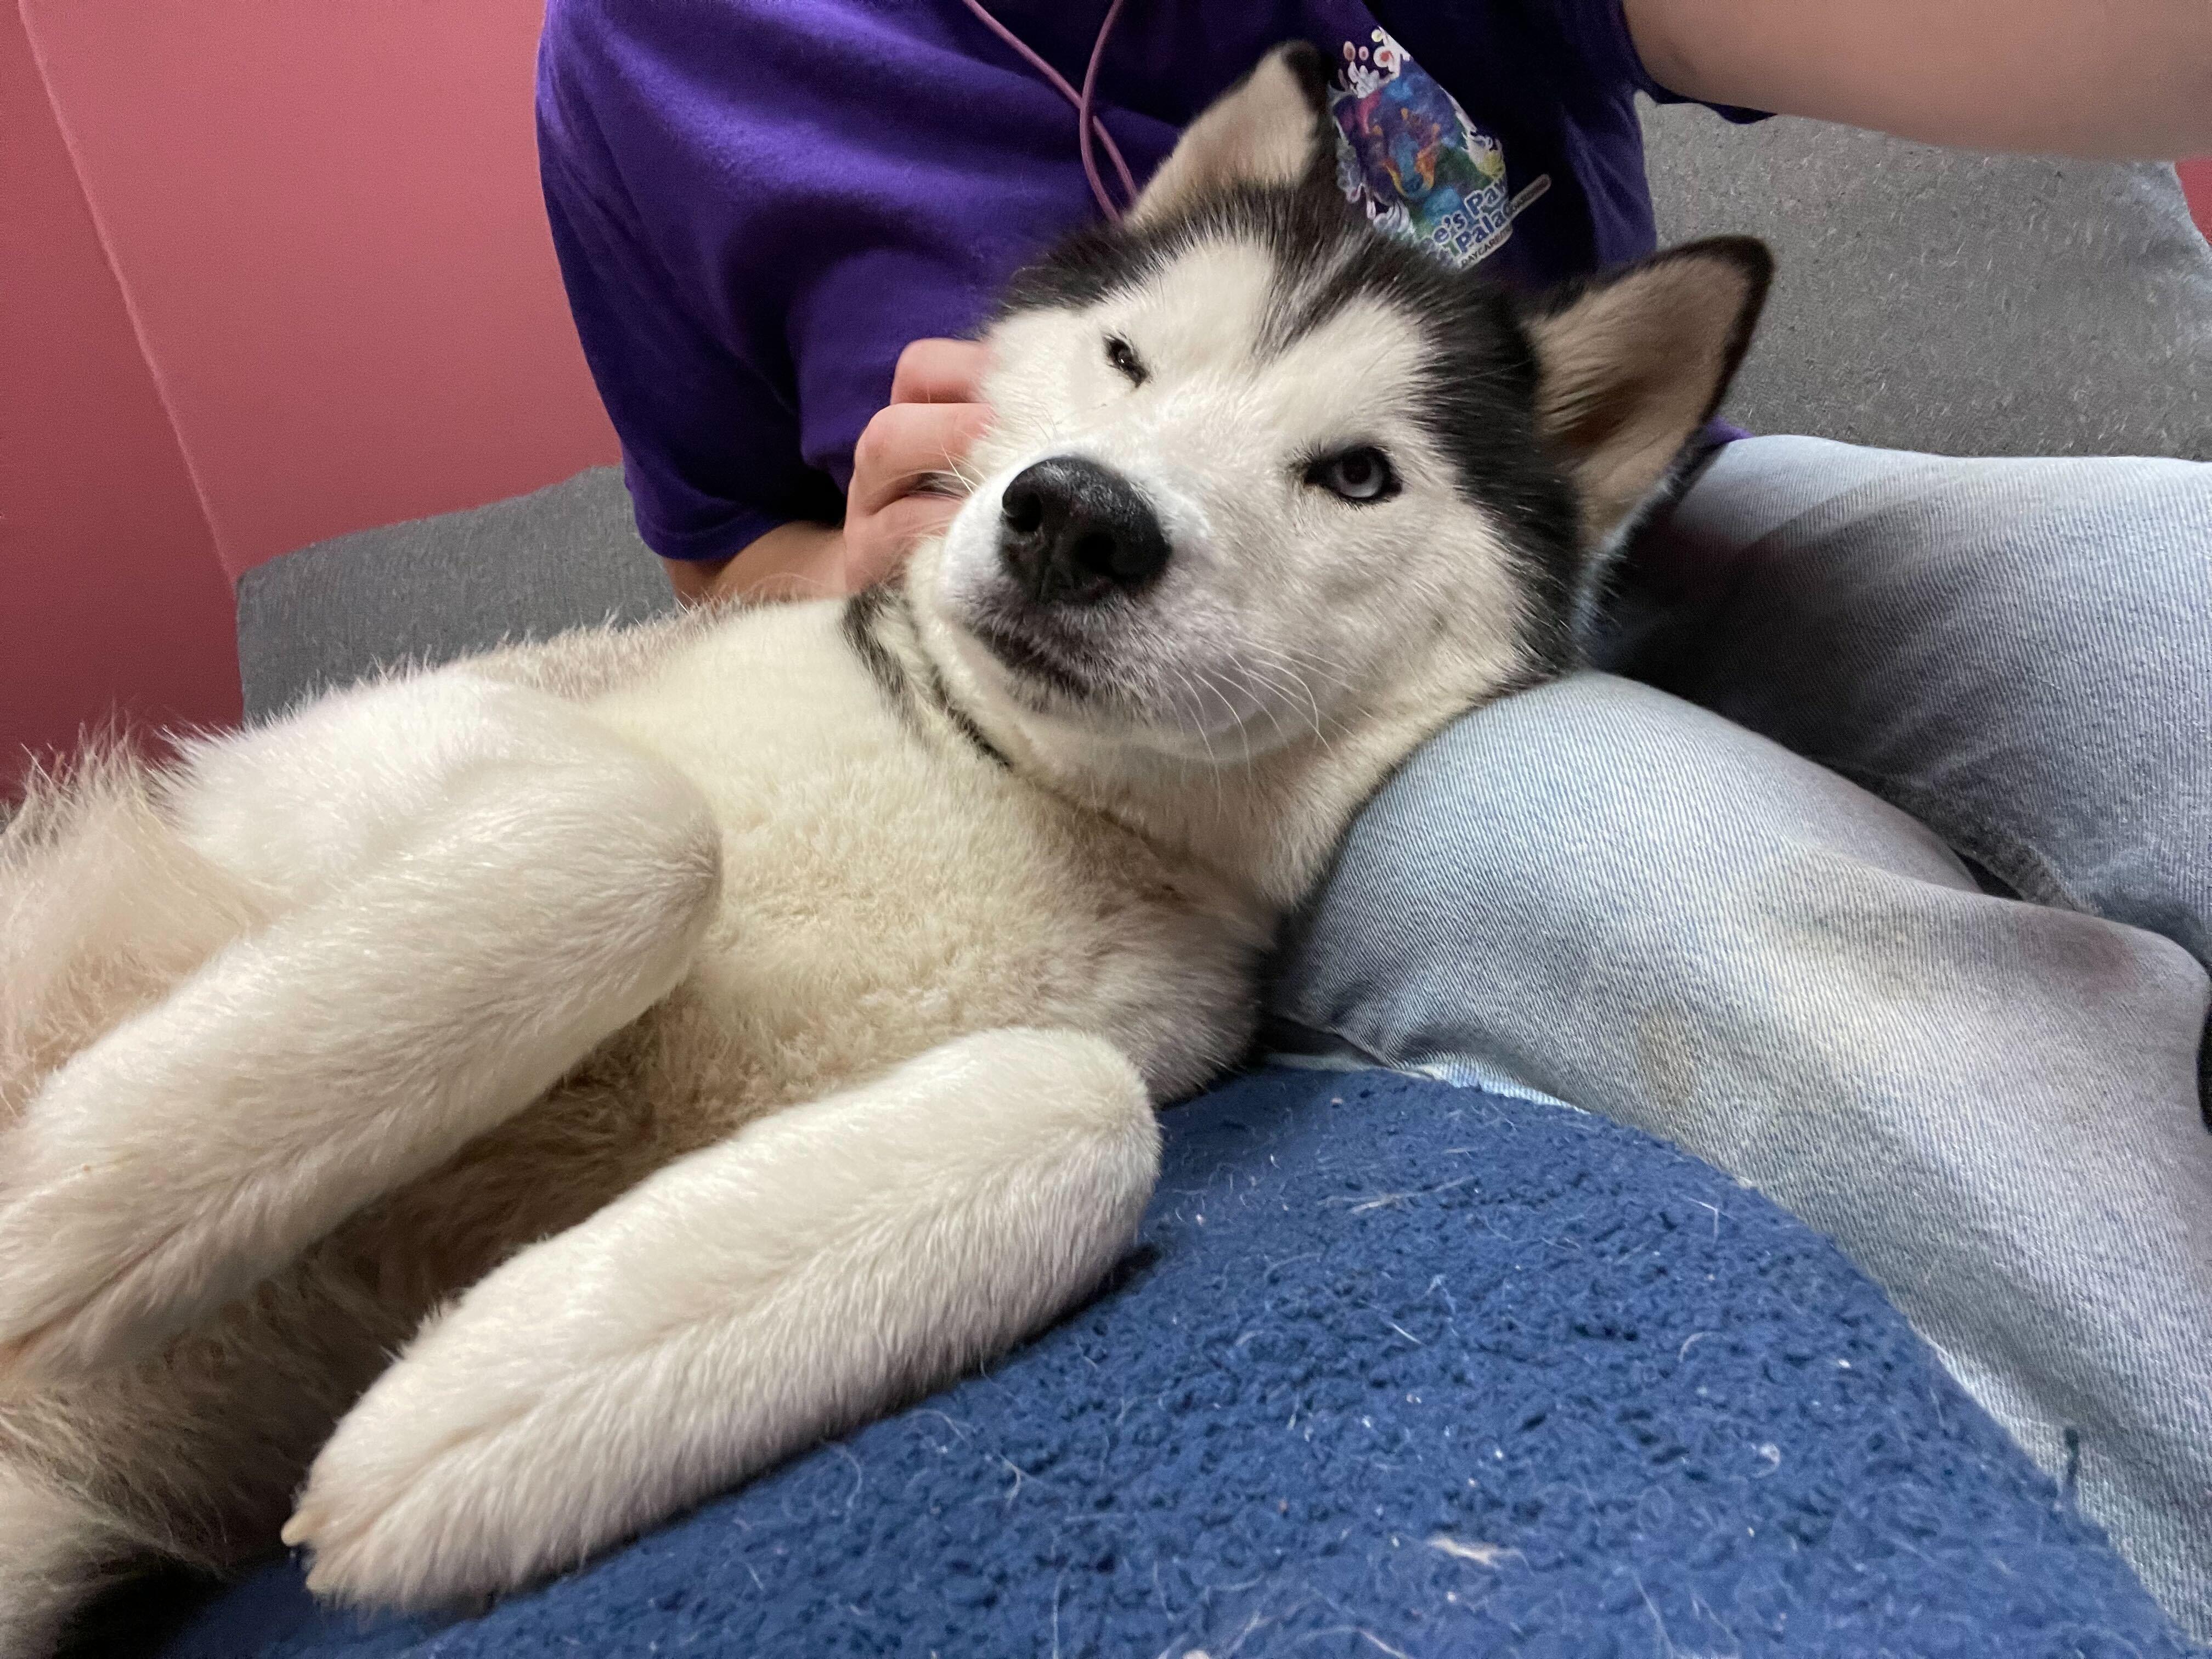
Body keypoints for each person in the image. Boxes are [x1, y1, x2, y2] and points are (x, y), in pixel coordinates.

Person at [535, 0, 2212, 1633]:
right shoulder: (655, 50)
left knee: (2175, 604)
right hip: (1247, 772)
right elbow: (713, 552)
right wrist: (871, 570)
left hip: (1603, 530)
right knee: (1745, 913)